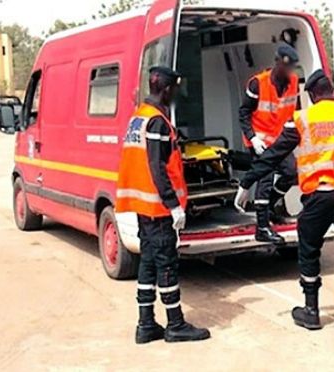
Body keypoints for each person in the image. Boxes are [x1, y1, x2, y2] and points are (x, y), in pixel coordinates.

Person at [234, 70, 334, 346]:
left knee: (308, 250)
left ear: (312, 96)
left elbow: (274, 154)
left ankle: (311, 311)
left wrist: (247, 182)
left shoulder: (301, 119)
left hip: (319, 198)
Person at [116, 66, 210, 344]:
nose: (175, 94)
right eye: (175, 89)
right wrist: (174, 205)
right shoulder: (156, 121)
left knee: (147, 264)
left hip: (143, 206)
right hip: (158, 208)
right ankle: (175, 324)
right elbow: (157, 166)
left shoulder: (139, 117)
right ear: (167, 89)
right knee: (166, 264)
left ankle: (146, 324)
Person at [239, 44, 300, 244]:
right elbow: (244, 113)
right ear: (276, 63)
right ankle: (262, 227)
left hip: (281, 141)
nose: (288, 71)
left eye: (291, 67)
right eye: (285, 67)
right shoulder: (257, 83)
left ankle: (270, 206)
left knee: (292, 172)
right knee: (265, 179)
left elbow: (295, 111)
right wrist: (253, 137)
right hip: (260, 141)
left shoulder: (293, 82)